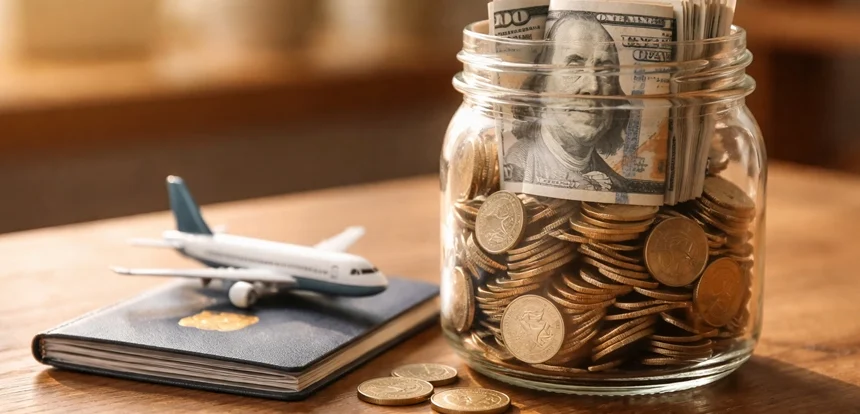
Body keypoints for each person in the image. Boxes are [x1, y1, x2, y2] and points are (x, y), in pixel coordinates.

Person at [504, 12, 637, 193]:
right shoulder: (513, 165)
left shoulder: (620, 188)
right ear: (542, 82)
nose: (592, 86)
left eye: (605, 70)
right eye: (574, 65)